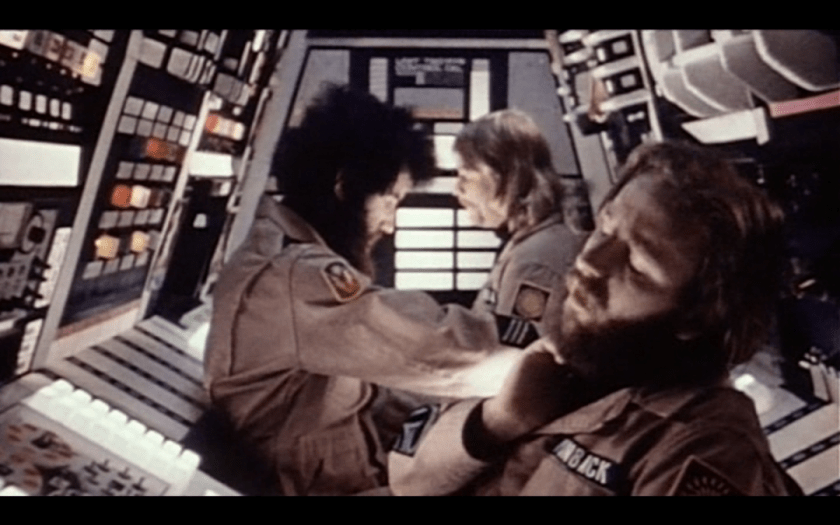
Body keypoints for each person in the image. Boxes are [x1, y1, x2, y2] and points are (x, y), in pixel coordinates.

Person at [388, 141, 803, 496]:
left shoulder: (700, 447)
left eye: (637, 265)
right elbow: (405, 480)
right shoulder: (571, 364)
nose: (590, 261)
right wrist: (497, 421)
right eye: (604, 230)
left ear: (696, 317)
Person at [203, 85, 525, 496]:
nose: (389, 224)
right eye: (390, 201)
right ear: (344, 186)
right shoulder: (298, 276)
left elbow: (377, 378)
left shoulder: (280, 251)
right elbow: (436, 349)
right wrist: (545, 354)